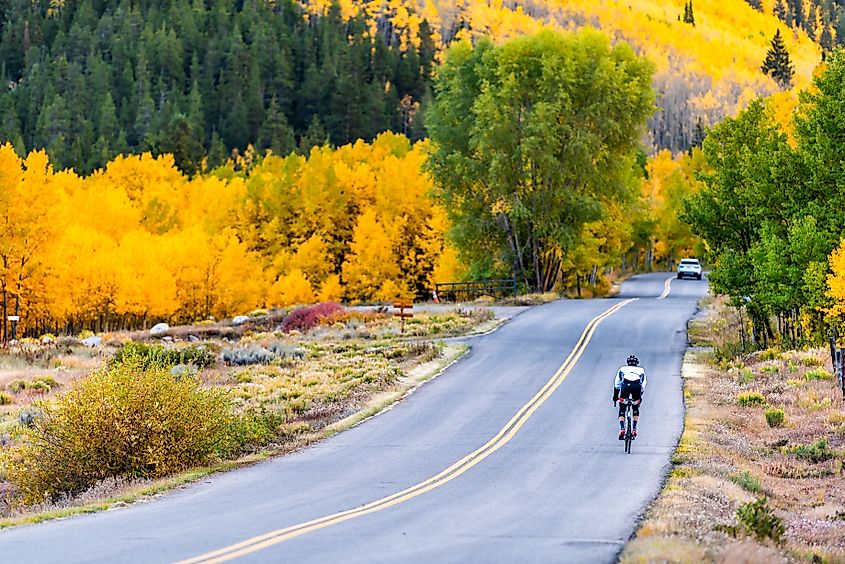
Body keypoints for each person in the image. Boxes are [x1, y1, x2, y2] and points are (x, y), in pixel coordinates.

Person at [613, 354, 647, 440]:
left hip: (625, 386)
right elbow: (643, 384)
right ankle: (634, 429)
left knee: (622, 407)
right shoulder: (641, 370)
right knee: (635, 407)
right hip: (637, 387)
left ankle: (622, 429)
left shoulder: (623, 369)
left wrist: (615, 397)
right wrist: (640, 396)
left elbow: (617, 384)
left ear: (627, 363)